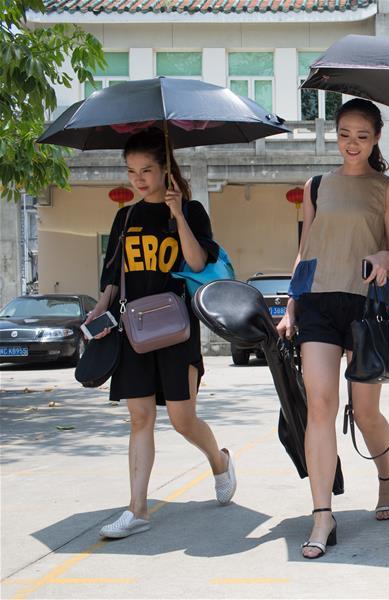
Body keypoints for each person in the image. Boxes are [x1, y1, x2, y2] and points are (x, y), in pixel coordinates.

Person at [84, 128, 236, 539]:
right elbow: (113, 277)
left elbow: (197, 262)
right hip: (133, 330)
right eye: (131, 171)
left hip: (176, 329)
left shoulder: (192, 211)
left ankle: (219, 461)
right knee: (140, 418)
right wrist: (99, 310)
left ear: (166, 169)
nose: (138, 179)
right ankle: (137, 510)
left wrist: (178, 214)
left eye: (146, 170)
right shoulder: (126, 217)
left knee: (183, 420)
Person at [276, 98, 389, 559]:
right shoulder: (316, 186)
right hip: (316, 303)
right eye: (345, 134)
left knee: (366, 413)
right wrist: (291, 304)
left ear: (376, 139)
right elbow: (305, 250)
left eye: (362, 136)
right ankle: (322, 515)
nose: (352, 143)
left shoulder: (388, 189)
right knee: (320, 406)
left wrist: (384, 258)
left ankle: (386, 478)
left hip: (365, 303)